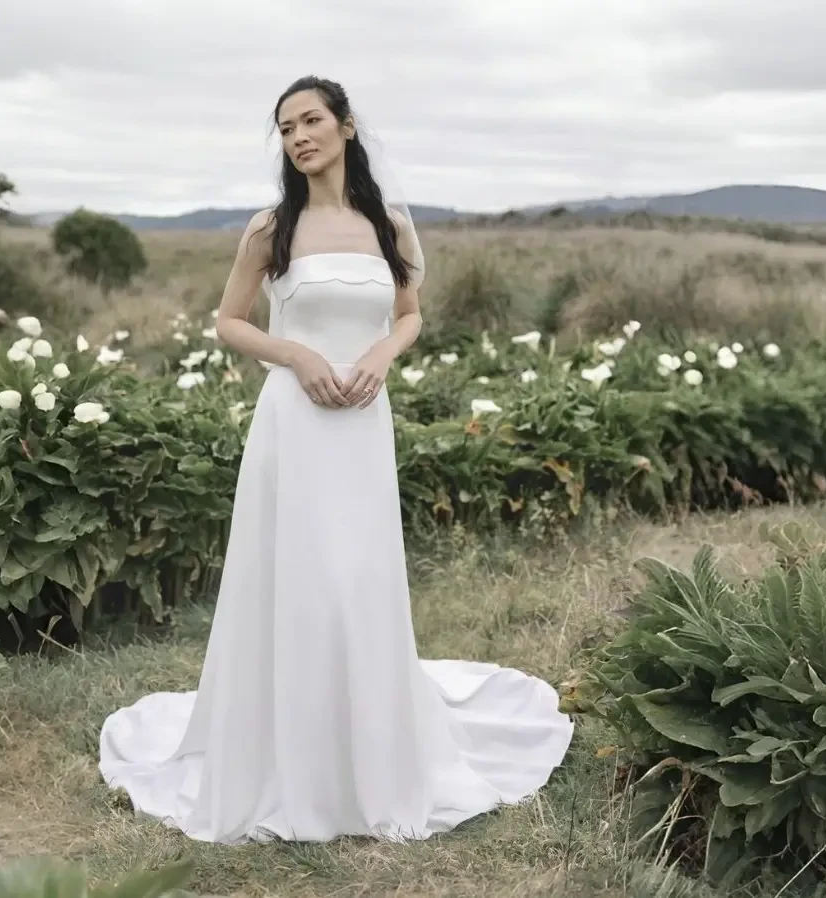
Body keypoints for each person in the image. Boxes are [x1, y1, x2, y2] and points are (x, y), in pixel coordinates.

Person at [97, 76, 573, 844]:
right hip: (297, 421)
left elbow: (411, 313)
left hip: (363, 421)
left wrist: (383, 354)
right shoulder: (269, 229)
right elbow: (228, 321)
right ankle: (289, 758)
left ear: (347, 126)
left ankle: (372, 750)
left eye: (311, 120)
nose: (298, 137)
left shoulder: (389, 226)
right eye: (285, 128)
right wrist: (294, 355)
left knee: (358, 577)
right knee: (300, 574)